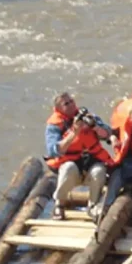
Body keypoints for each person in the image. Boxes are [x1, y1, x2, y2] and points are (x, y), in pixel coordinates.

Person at [44, 93, 113, 221]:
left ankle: (92, 206)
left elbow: (108, 134)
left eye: (71, 101)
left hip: (90, 160)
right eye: (66, 104)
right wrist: (74, 132)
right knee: (68, 168)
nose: (71, 105)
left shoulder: (87, 116)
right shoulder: (54, 125)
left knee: (99, 171)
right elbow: (54, 150)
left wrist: (95, 127)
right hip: (70, 162)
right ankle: (59, 204)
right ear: (58, 109)